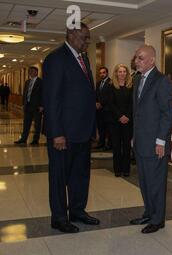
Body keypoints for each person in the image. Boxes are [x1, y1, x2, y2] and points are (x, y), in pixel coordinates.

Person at [42, 22, 100, 233]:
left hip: (82, 132)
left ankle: (77, 211)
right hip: (63, 134)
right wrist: (57, 133)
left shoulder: (83, 59)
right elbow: (51, 99)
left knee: (80, 175)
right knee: (60, 177)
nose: (88, 41)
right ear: (72, 35)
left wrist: (92, 128)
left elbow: (86, 95)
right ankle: (59, 217)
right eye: (85, 37)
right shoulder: (55, 59)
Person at [129, 45, 172, 233]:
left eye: (140, 58)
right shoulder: (138, 79)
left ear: (152, 60)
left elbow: (167, 114)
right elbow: (138, 113)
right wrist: (134, 136)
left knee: (156, 182)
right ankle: (149, 213)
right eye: (136, 57)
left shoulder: (161, 81)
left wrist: (161, 141)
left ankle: (158, 219)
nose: (136, 61)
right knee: (145, 181)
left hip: (155, 143)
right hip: (141, 141)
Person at [108, 64, 133, 177]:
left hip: (128, 121)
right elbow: (111, 104)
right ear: (116, 73)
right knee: (117, 146)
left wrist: (127, 116)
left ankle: (126, 169)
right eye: (120, 71)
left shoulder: (131, 86)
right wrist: (120, 116)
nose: (122, 73)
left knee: (127, 146)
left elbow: (132, 103)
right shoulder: (111, 86)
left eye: (124, 71)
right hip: (115, 121)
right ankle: (117, 169)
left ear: (127, 73)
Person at [15, 67, 43, 145]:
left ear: (36, 72)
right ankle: (23, 139)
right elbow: (25, 94)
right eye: (29, 71)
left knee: (37, 124)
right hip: (28, 106)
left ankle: (35, 140)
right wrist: (23, 104)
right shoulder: (27, 82)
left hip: (37, 106)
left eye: (32, 71)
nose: (30, 72)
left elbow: (43, 94)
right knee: (26, 123)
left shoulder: (41, 82)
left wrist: (42, 105)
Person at [95, 66, 111, 150]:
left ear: (107, 73)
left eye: (103, 72)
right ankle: (101, 143)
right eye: (100, 73)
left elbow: (109, 96)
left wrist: (101, 104)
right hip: (99, 110)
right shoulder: (98, 83)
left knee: (108, 129)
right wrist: (96, 103)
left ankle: (108, 145)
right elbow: (96, 95)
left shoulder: (110, 82)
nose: (102, 74)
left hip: (107, 110)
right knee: (100, 128)